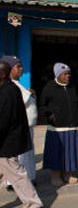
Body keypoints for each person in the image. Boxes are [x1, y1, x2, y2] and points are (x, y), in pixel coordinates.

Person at [0, 60, 43, 208]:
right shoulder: (8, 88)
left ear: (3, 74)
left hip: (7, 142)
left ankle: (33, 203)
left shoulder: (8, 91)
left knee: (17, 174)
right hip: (8, 140)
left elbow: (3, 120)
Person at [40, 63, 78, 186]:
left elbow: (75, 102)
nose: (68, 76)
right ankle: (55, 176)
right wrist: (50, 115)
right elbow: (42, 106)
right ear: (58, 75)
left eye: (69, 74)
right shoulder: (49, 87)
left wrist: (77, 112)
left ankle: (67, 174)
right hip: (56, 128)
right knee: (56, 152)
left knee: (69, 152)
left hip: (71, 126)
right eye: (65, 74)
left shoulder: (72, 87)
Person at [3, 56, 38, 184]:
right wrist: (29, 94)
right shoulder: (9, 86)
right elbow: (16, 103)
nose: (21, 69)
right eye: (18, 66)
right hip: (19, 126)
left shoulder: (18, 84)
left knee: (26, 154)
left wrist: (29, 92)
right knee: (20, 155)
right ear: (8, 69)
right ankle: (19, 181)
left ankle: (24, 179)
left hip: (26, 126)